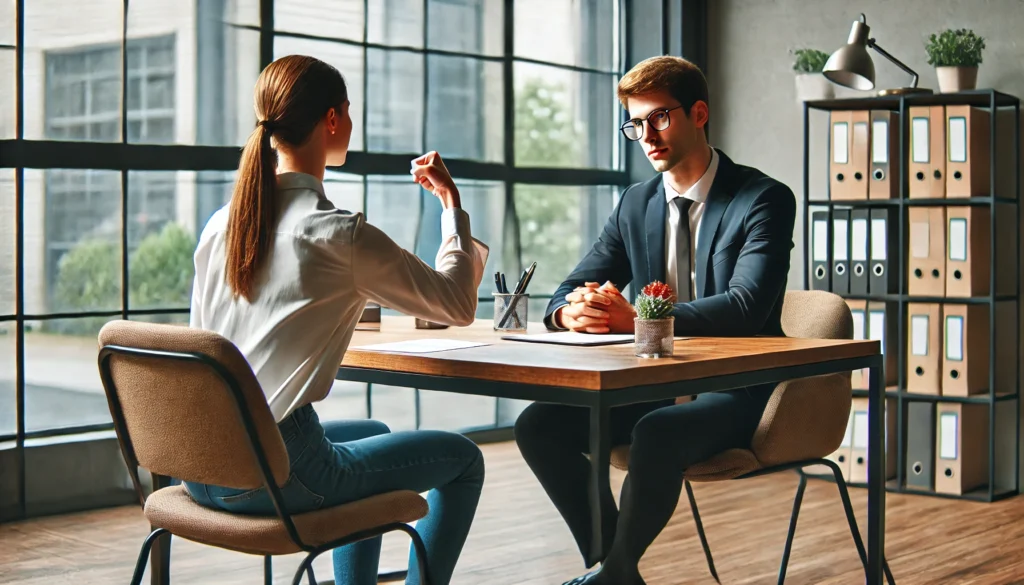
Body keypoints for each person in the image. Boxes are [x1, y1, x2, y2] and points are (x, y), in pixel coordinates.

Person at [184, 54, 489, 585]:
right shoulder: (338, 234)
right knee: (464, 460)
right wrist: (450, 205)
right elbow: (457, 304)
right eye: (348, 113)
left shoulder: (222, 225)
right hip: (278, 474)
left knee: (373, 430)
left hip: (202, 462)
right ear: (331, 119)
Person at [513, 56, 796, 585]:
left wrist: (640, 318)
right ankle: (611, 568)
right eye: (636, 124)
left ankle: (616, 573)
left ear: (699, 113)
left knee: (656, 433)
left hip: (739, 390)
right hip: (655, 381)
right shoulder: (634, 204)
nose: (647, 135)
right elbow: (570, 284)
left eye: (660, 118)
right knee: (539, 424)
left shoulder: (763, 199)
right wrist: (570, 311)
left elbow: (746, 306)